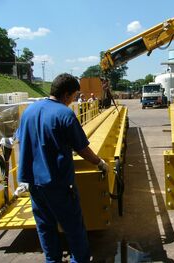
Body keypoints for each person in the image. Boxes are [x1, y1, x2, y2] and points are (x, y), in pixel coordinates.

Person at [16, 73, 109, 263]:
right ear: (67, 94)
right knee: (73, 226)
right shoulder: (64, 114)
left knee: (45, 226)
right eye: (74, 96)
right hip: (58, 183)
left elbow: (24, 140)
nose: (74, 100)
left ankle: (53, 261)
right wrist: (99, 163)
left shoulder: (29, 111)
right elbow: (82, 148)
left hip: (34, 183)